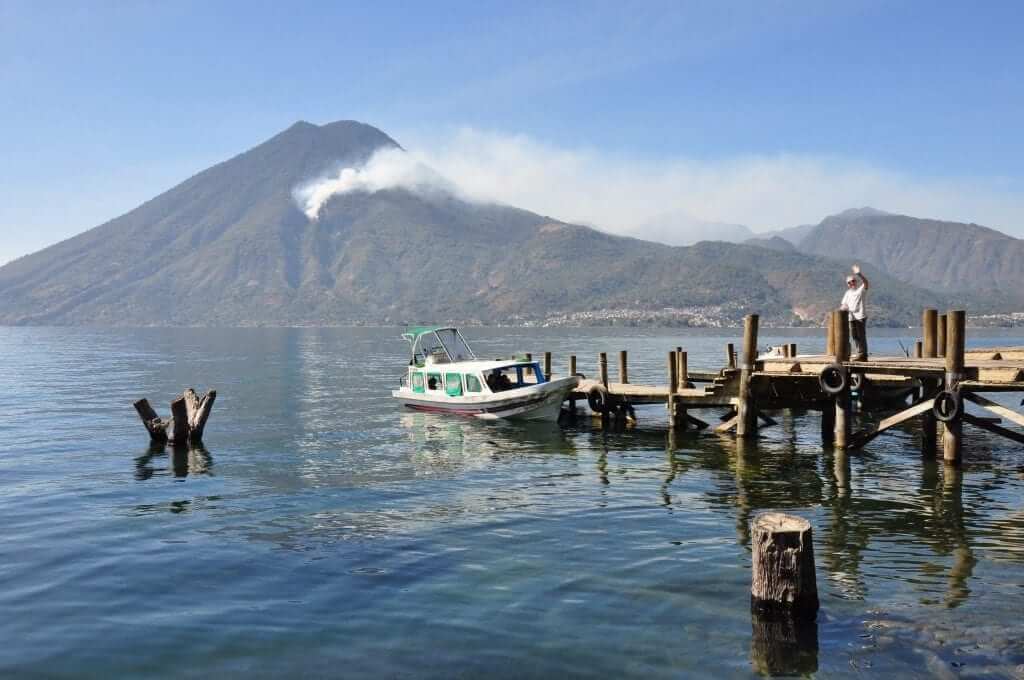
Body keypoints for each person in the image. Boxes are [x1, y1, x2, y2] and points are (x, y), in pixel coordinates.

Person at [840, 264, 869, 360]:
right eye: (849, 282)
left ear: (856, 282)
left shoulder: (860, 290)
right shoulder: (847, 293)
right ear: (847, 284)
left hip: (860, 317)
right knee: (854, 336)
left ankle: (863, 354)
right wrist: (841, 310)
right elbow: (844, 304)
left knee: (861, 335)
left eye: (853, 281)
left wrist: (859, 274)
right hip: (851, 318)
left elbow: (866, 283)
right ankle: (859, 353)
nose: (851, 283)